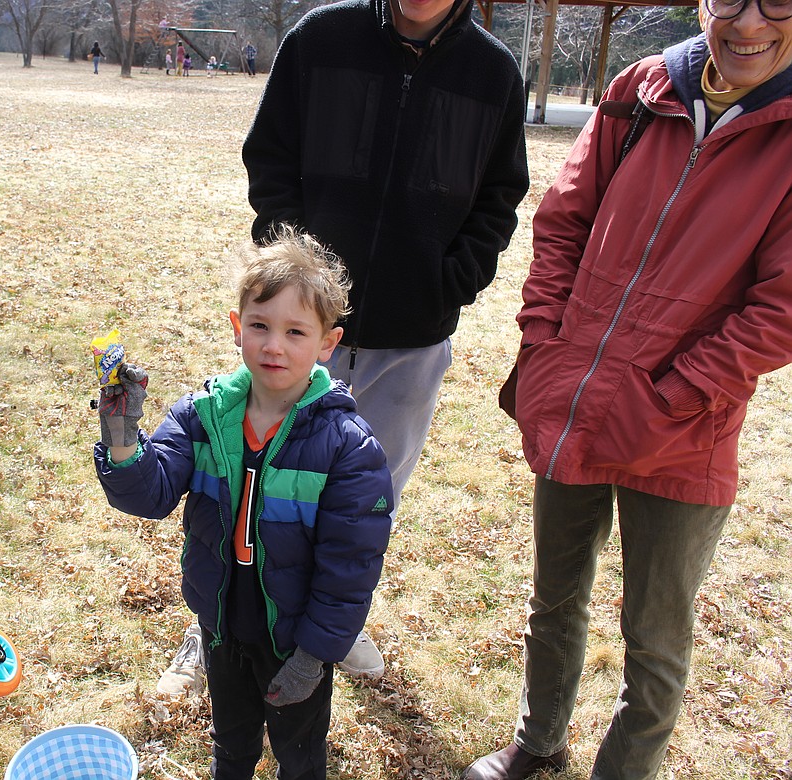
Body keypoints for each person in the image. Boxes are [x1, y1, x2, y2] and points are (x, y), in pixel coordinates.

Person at [153, 0, 530, 696]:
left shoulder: (493, 72)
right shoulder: (320, 39)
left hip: (410, 342)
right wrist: (295, 281)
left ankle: (334, 623)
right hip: (299, 332)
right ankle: (211, 630)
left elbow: (500, 199)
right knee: (253, 476)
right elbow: (270, 157)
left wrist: (449, 282)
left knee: (366, 495)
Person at [463, 1, 792, 778]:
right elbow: (563, 221)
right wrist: (544, 341)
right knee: (555, 598)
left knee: (656, 636)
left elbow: (779, 309)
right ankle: (538, 743)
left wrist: (676, 393)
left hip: (685, 431)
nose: (749, 21)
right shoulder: (642, 89)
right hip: (576, 400)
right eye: (728, 0)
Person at [94, 226, 393, 778]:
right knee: (231, 743)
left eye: (295, 332)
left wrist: (315, 653)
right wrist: (121, 437)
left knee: (299, 754)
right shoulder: (203, 416)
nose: (273, 345)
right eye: (259, 326)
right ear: (237, 328)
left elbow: (349, 566)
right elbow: (152, 494)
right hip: (224, 621)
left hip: (294, 636)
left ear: (328, 342)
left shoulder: (346, 447)